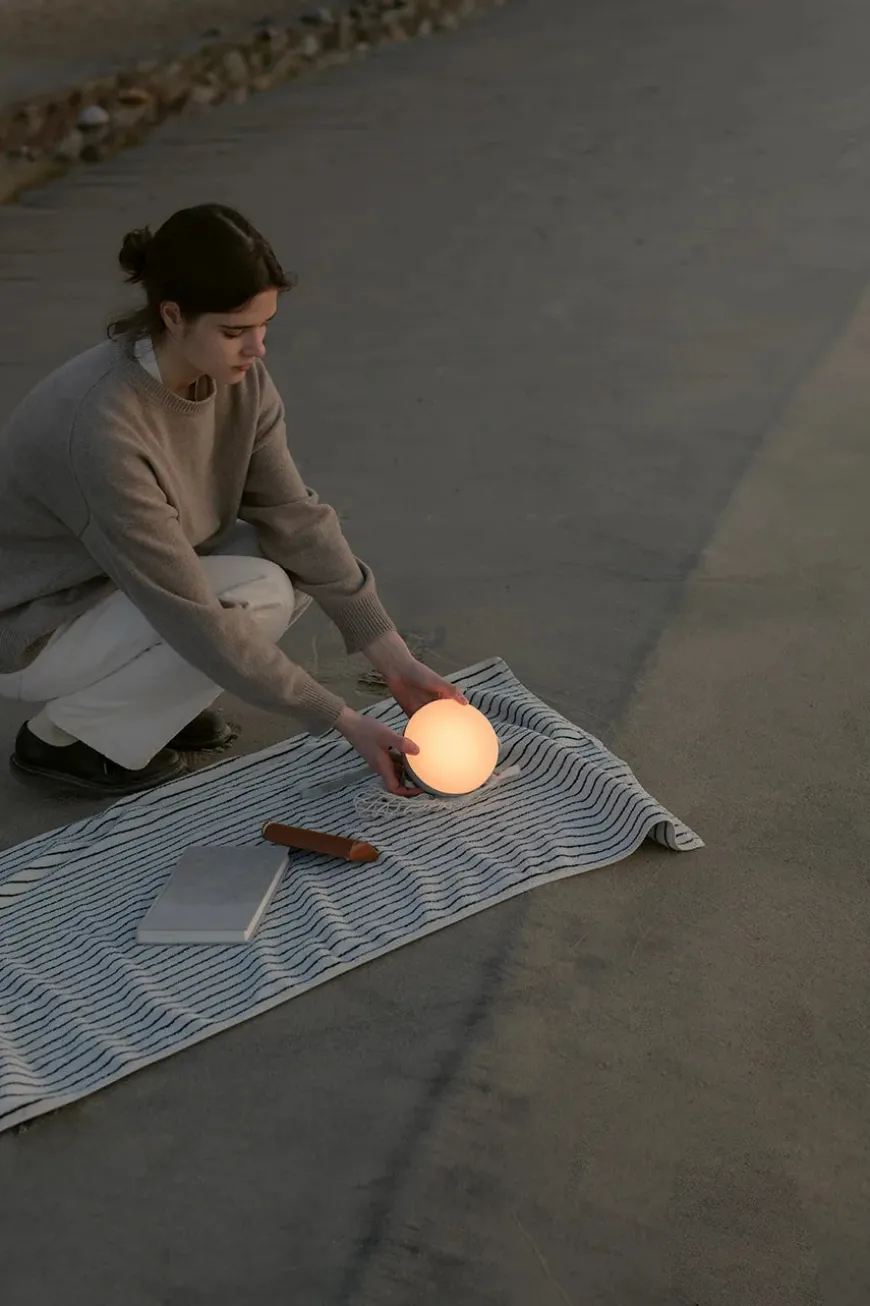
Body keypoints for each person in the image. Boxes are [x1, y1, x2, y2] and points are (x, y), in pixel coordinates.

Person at [0, 203, 465, 799]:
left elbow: (294, 518)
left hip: (117, 587)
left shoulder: (237, 380)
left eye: (264, 326)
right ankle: (68, 739)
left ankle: (147, 707)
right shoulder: (102, 428)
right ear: (173, 315)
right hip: (34, 627)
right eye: (234, 331)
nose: (257, 348)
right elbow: (188, 612)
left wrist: (394, 659)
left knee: (287, 560)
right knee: (258, 592)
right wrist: (342, 721)